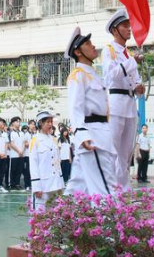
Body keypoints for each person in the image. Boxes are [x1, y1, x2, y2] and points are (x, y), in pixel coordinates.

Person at [64, 27, 117, 196]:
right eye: (88, 44)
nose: (93, 46)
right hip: (92, 137)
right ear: (78, 52)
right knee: (105, 186)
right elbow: (75, 108)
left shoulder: (93, 74)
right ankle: (111, 221)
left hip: (100, 133)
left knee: (77, 188)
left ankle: (58, 221)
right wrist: (82, 135)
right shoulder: (78, 75)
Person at [102, 8, 144, 190]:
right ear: (115, 30)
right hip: (116, 103)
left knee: (126, 154)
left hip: (129, 104)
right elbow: (110, 76)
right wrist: (132, 62)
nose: (129, 29)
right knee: (112, 151)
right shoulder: (109, 50)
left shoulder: (127, 53)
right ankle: (110, 193)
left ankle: (124, 192)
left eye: (129, 25)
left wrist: (138, 87)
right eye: (125, 26)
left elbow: (133, 80)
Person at [29, 111, 64, 210]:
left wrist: (60, 184)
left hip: (55, 183)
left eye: (51, 122)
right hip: (43, 185)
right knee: (40, 215)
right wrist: (36, 186)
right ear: (40, 123)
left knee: (54, 214)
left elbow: (57, 163)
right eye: (48, 122)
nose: (50, 124)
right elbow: (33, 164)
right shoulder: (35, 140)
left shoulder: (53, 139)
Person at [8, 117, 25, 191]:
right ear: (13, 123)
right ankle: (12, 184)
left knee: (19, 170)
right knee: (13, 170)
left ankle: (17, 183)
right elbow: (11, 143)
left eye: (19, 122)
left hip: (21, 155)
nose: (19, 123)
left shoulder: (22, 133)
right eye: (17, 122)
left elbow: (24, 142)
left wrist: (22, 151)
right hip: (14, 155)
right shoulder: (11, 133)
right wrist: (18, 151)